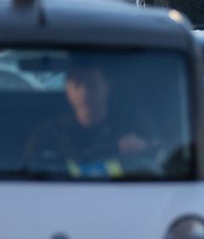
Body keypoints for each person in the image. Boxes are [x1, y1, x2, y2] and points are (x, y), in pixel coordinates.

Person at [24, 60, 153, 179]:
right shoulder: (48, 133)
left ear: (107, 87)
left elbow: (160, 156)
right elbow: (30, 172)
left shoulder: (134, 121)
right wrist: (116, 148)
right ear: (67, 90)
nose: (84, 92)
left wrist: (145, 146)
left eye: (91, 84)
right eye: (77, 84)